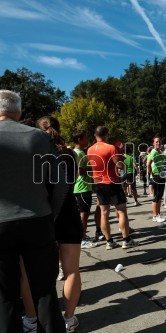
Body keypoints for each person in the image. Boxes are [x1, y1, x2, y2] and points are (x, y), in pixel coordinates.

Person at [0, 90, 66, 332]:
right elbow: (59, 183)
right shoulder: (38, 137)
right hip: (38, 219)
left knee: (5, 298)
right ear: (18, 111)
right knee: (45, 293)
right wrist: (51, 213)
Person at [35, 116, 84, 332]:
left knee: (44, 273)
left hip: (45, 216)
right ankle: (69, 318)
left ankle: (41, 317)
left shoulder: (37, 155)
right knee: (72, 270)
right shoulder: (70, 154)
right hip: (69, 213)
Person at [87, 126, 138, 250]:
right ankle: (126, 240)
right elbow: (119, 165)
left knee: (104, 213)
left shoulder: (89, 150)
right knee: (121, 210)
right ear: (106, 135)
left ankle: (109, 241)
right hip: (112, 182)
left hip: (98, 183)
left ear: (95, 135)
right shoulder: (110, 147)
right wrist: (123, 164)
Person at [72, 130, 98, 249]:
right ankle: (82, 239)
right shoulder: (79, 153)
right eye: (85, 137)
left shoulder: (78, 152)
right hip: (82, 187)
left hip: (82, 187)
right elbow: (81, 171)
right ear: (79, 140)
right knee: (84, 215)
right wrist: (93, 170)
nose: (87, 140)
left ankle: (82, 236)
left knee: (83, 214)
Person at [147, 135, 166, 223]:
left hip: (161, 177)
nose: (158, 143)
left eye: (159, 141)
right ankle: (155, 216)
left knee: (159, 197)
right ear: (153, 143)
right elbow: (148, 164)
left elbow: (165, 161)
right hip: (156, 177)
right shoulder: (154, 152)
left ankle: (158, 214)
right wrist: (150, 174)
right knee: (156, 197)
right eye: (156, 142)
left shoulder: (159, 152)